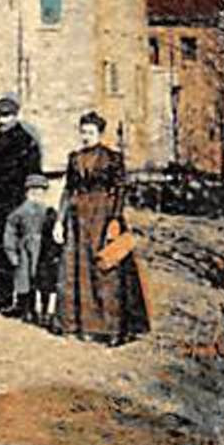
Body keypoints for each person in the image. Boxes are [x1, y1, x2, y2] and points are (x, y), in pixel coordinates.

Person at [54, 111, 150, 343]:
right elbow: (69, 190)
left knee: (107, 271)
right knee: (78, 272)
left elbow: (120, 189)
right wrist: (60, 220)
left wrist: (115, 220)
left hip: (103, 218)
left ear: (100, 133)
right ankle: (81, 325)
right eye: (83, 132)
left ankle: (112, 329)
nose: (86, 136)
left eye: (90, 132)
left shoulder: (112, 158)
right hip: (79, 222)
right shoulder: (74, 158)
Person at [0, 94, 41, 314]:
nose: (1, 121)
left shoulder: (26, 141)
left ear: (15, 116)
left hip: (16, 204)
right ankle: (2, 296)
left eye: (5, 116)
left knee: (18, 251)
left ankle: (23, 301)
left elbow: (33, 176)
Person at [3, 174, 57, 325]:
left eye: (40, 191)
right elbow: (10, 233)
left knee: (44, 281)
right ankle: (27, 310)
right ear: (27, 192)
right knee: (24, 280)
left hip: (43, 251)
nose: (37, 194)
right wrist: (12, 253)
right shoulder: (18, 213)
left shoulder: (49, 211)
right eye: (33, 190)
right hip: (25, 250)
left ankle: (45, 312)